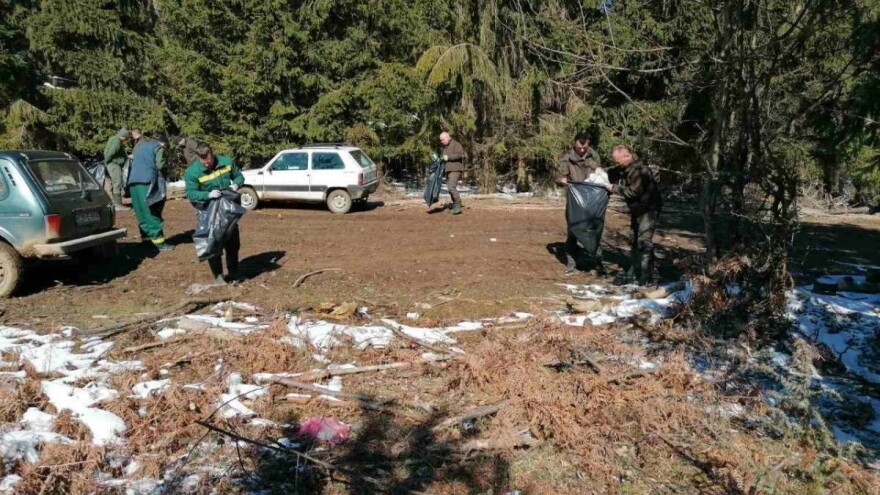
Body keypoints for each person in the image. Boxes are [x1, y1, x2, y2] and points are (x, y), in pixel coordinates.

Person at [183, 144, 245, 284]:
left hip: (228, 210)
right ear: (198, 158)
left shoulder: (226, 162)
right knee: (213, 243)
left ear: (213, 154)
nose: (207, 164)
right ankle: (218, 276)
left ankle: (234, 273)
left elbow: (239, 176)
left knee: (233, 243)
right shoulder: (192, 172)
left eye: (209, 161)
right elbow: (191, 193)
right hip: (208, 212)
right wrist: (207, 194)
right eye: (203, 162)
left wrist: (236, 184)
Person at [605, 144, 663, 285]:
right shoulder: (626, 167)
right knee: (634, 240)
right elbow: (613, 171)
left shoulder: (639, 171)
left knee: (644, 241)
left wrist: (614, 188)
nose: (616, 164)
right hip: (638, 209)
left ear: (627, 156)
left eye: (617, 161)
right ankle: (636, 272)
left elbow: (633, 192)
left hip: (649, 209)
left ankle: (647, 278)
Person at [557, 132, 609, 275]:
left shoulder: (594, 156)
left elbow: (599, 173)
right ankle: (571, 263)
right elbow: (560, 175)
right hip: (575, 200)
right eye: (579, 147)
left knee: (594, 230)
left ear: (588, 144)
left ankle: (598, 263)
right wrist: (561, 180)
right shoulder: (566, 158)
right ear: (574, 143)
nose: (582, 150)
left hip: (592, 199)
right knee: (573, 230)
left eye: (584, 147)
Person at [128, 130, 172, 251]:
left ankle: (147, 240)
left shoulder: (141, 147)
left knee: (141, 211)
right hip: (146, 182)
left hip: (133, 183)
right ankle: (159, 243)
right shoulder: (158, 147)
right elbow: (160, 165)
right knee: (151, 209)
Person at [103, 128, 131, 210]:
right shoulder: (117, 142)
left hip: (112, 164)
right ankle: (118, 205)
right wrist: (107, 162)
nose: (127, 140)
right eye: (127, 138)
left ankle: (116, 203)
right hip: (114, 164)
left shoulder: (113, 139)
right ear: (123, 136)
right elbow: (110, 153)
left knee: (115, 183)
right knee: (117, 183)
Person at [439, 132, 466, 215]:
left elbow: (459, 155)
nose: (441, 141)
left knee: (451, 187)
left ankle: (458, 205)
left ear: (448, 137)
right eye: (441, 140)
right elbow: (444, 158)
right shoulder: (445, 148)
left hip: (455, 169)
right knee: (450, 189)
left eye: (443, 139)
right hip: (448, 170)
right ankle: (456, 204)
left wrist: (449, 157)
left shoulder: (456, 144)